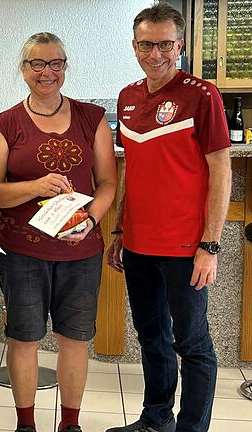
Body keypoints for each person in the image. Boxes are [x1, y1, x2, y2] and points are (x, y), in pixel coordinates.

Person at [0, 32, 117, 432]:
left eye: (55, 63)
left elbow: (107, 182)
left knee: (75, 339)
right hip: (22, 251)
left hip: (81, 250)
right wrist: (34, 187)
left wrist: (90, 219)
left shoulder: (92, 118)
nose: (47, 72)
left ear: (65, 68)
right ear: (23, 70)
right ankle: (26, 424)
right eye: (37, 64)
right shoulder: (5, 124)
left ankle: (70, 423)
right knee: (24, 340)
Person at [105, 4, 231, 432]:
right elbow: (132, 170)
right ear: (134, 45)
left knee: (192, 344)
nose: (155, 54)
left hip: (186, 247)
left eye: (164, 44)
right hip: (138, 245)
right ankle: (156, 418)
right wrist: (120, 229)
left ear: (179, 45)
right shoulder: (126, 97)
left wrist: (210, 246)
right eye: (146, 44)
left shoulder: (202, 94)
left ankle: (190, 427)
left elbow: (221, 170)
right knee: (152, 339)